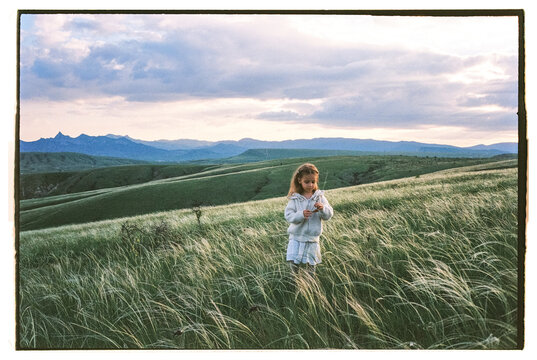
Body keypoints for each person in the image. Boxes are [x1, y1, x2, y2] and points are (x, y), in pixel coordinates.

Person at [284, 163, 333, 276]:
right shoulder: (295, 198)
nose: (310, 185)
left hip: (312, 238)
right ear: (299, 180)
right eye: (307, 182)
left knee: (311, 266)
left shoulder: (319, 197)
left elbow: (329, 214)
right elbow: (288, 215)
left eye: (313, 182)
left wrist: (322, 208)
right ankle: (294, 284)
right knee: (293, 265)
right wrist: (300, 214)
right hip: (296, 237)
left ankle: (310, 286)